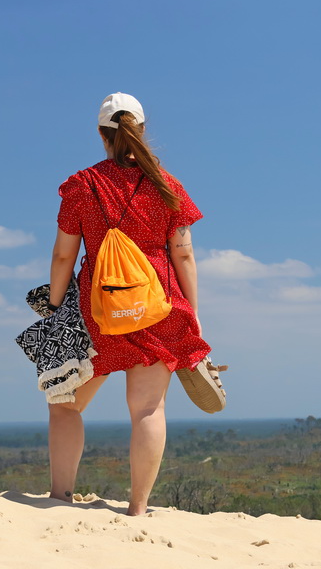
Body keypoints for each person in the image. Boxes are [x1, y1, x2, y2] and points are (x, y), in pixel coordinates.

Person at [46, 92, 211, 515]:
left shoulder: (82, 185)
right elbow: (184, 254)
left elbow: (65, 253)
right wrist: (191, 316)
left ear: (102, 134)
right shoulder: (167, 185)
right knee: (148, 409)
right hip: (158, 307)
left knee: (65, 403)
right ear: (141, 129)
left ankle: (61, 498)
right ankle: (137, 508)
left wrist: (54, 303)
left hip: (97, 312)